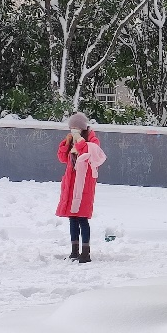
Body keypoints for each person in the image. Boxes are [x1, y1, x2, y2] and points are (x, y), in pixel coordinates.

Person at [57, 111, 105, 263]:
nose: (73, 130)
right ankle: (74, 251)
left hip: (84, 184)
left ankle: (85, 252)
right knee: (72, 218)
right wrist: (66, 143)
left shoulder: (92, 141)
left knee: (82, 218)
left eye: (76, 128)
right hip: (71, 184)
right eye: (71, 128)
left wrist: (79, 141)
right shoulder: (71, 140)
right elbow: (62, 158)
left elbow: (91, 154)